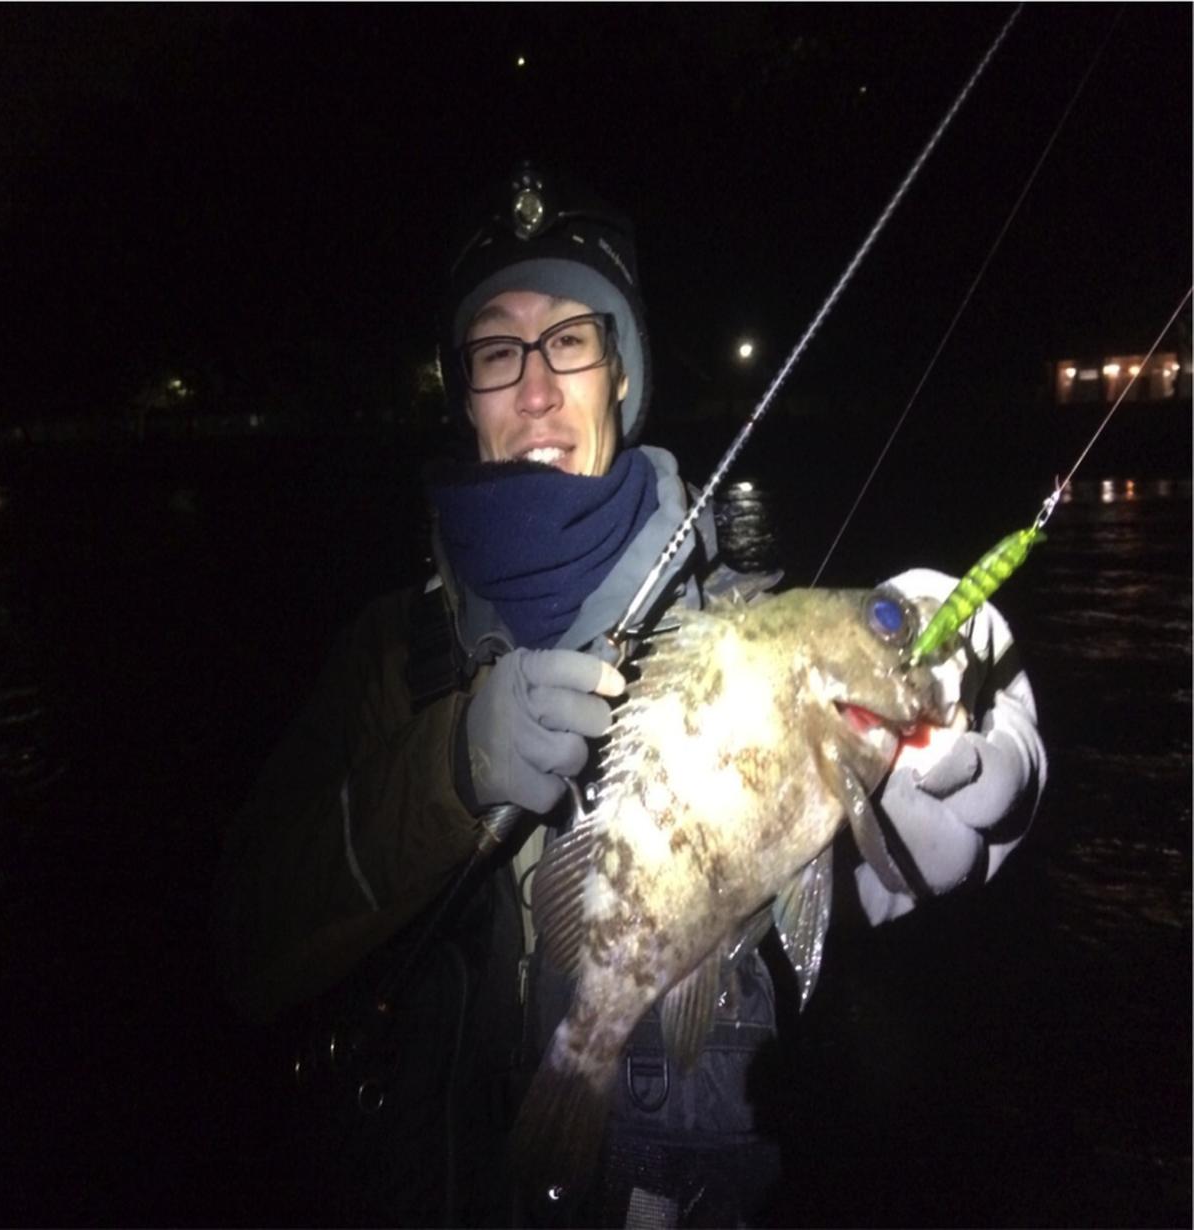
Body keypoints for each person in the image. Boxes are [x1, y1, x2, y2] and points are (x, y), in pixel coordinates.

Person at [212, 162, 1047, 1228]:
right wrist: (447, 768)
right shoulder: (384, 658)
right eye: (495, 349)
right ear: (463, 394)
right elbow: (247, 947)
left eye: (569, 339)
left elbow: (868, 866)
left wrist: (960, 702)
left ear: (618, 372)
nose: (534, 385)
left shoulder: (743, 624)